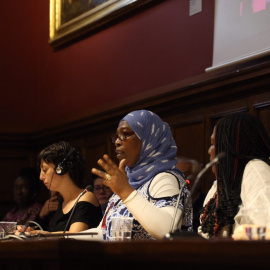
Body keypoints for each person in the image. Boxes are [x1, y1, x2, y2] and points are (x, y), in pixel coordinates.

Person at [76, 110, 192, 241]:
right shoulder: (129, 182)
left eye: (125, 134)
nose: (117, 142)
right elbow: (104, 233)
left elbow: (168, 231)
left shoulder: (165, 179)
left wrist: (126, 192)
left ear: (149, 139)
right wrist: (64, 238)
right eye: (117, 136)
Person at [198, 112, 270, 239]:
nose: (209, 150)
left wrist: (240, 234)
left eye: (214, 144)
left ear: (229, 147)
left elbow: (267, 230)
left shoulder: (256, 170)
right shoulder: (219, 187)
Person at [17, 141, 102, 235]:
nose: (41, 177)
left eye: (45, 170)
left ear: (61, 169)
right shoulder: (62, 200)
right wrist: (32, 232)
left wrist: (42, 234)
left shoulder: (86, 197)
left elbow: (76, 236)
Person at [176, 157, 204, 232]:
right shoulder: (171, 205)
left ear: (198, 180)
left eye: (183, 176)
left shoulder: (206, 205)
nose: (178, 181)